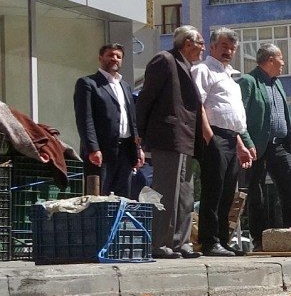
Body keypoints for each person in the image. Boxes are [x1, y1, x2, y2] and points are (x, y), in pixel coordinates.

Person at [136, 25, 206, 260]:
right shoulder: (164, 60)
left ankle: (181, 242)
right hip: (167, 137)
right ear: (187, 43)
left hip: (185, 139)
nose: (202, 49)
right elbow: (146, 98)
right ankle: (160, 243)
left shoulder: (187, 66)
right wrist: (140, 134)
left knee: (185, 193)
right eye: (200, 43)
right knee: (166, 192)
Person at [191, 27, 255, 257]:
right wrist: (209, 136)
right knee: (213, 191)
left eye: (232, 48)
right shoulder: (203, 70)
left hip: (230, 137)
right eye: (224, 46)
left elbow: (231, 116)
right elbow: (198, 104)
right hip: (214, 135)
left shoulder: (230, 76)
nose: (228, 51)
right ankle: (209, 241)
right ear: (212, 47)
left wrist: (240, 145)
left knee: (228, 192)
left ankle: (222, 240)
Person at [238, 43, 291, 249]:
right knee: (256, 194)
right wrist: (246, 143)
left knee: (288, 191)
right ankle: (259, 240)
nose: (283, 63)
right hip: (256, 146)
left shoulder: (277, 83)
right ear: (271, 60)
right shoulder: (249, 81)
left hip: (279, 146)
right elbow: (240, 116)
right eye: (281, 58)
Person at [73, 43, 144, 197]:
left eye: (118, 56)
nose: (114, 59)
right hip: (102, 152)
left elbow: (132, 121)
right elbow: (85, 119)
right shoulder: (88, 84)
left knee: (122, 198)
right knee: (99, 198)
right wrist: (92, 148)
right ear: (101, 58)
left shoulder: (125, 86)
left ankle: (119, 222)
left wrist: (138, 149)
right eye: (110, 55)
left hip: (125, 151)